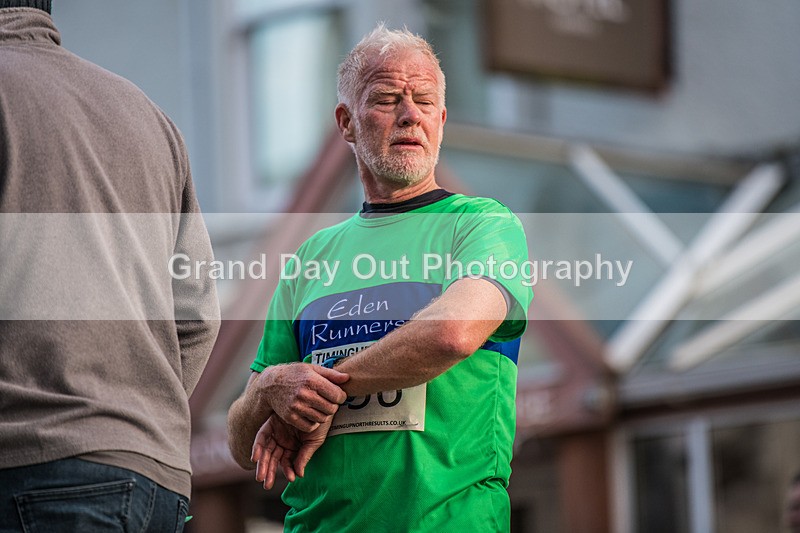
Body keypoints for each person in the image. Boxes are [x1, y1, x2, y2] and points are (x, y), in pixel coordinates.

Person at [227, 23, 532, 532]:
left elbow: (451, 332)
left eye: (425, 101)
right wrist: (271, 388)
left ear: (442, 119)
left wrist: (325, 391)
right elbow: (244, 446)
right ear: (346, 122)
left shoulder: (482, 224)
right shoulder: (309, 259)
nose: (411, 115)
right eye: (388, 98)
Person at [0, 2, 220, 532]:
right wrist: (132, 410)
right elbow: (197, 317)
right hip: (156, 480)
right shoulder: (146, 114)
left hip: (34, 468)